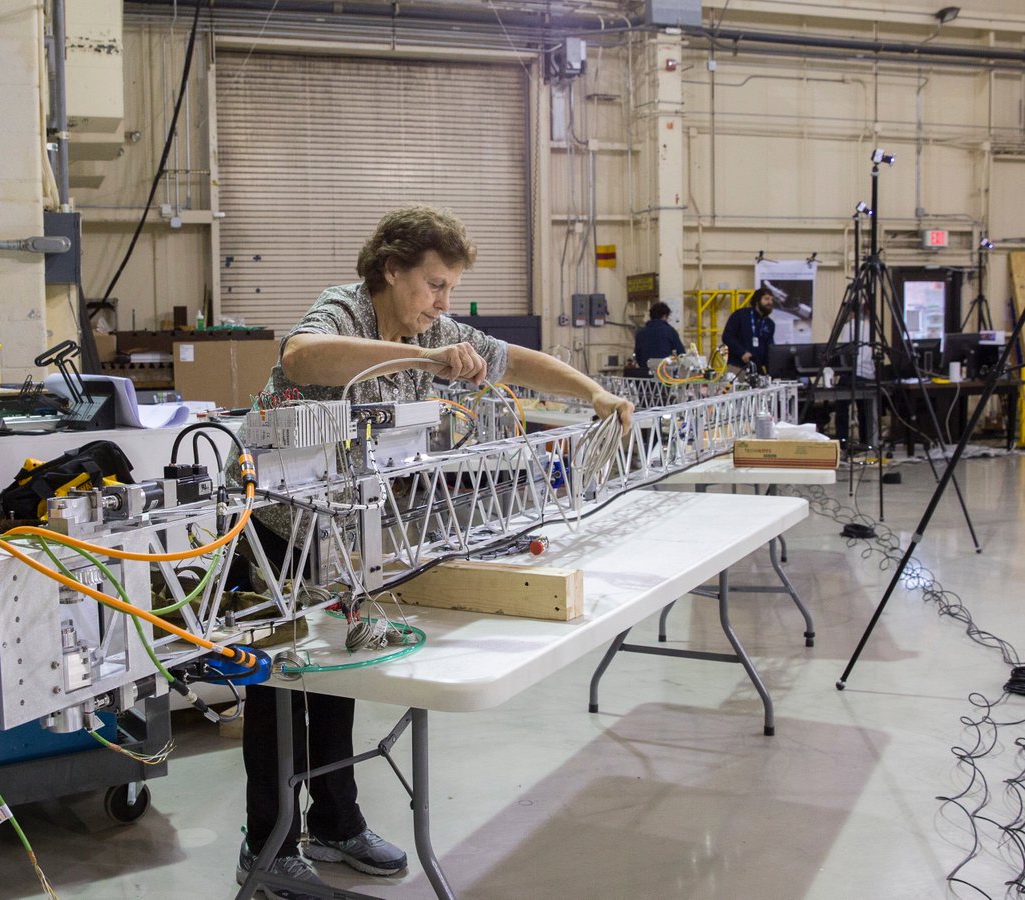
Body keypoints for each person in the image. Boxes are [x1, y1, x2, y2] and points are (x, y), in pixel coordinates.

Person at [236, 206, 634, 899]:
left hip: (346, 527)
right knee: (277, 685)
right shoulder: (345, 310)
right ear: (392, 270)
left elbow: (518, 362)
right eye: (435, 285)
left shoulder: (436, 328)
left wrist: (594, 392)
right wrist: (421, 359)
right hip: (274, 521)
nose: (444, 303)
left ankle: (335, 822)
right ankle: (265, 845)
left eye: (450, 289)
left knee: (341, 672)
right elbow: (300, 356)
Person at [834, 301, 876, 450]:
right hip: (868, 374)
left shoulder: (848, 327)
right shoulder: (871, 327)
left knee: (841, 405)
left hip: (852, 373)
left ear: (851, 313)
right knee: (864, 409)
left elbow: (844, 353)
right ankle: (866, 441)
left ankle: (842, 441)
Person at [721, 288, 777, 376]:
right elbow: (727, 337)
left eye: (771, 300)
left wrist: (772, 372)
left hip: (757, 369)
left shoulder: (770, 324)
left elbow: (769, 348)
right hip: (737, 367)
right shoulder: (740, 315)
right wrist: (742, 352)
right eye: (766, 299)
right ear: (757, 300)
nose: (770, 302)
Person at [632, 301, 686, 375]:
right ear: (664, 316)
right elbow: (682, 354)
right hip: (665, 375)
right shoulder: (670, 331)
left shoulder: (640, 333)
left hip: (645, 375)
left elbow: (638, 356)